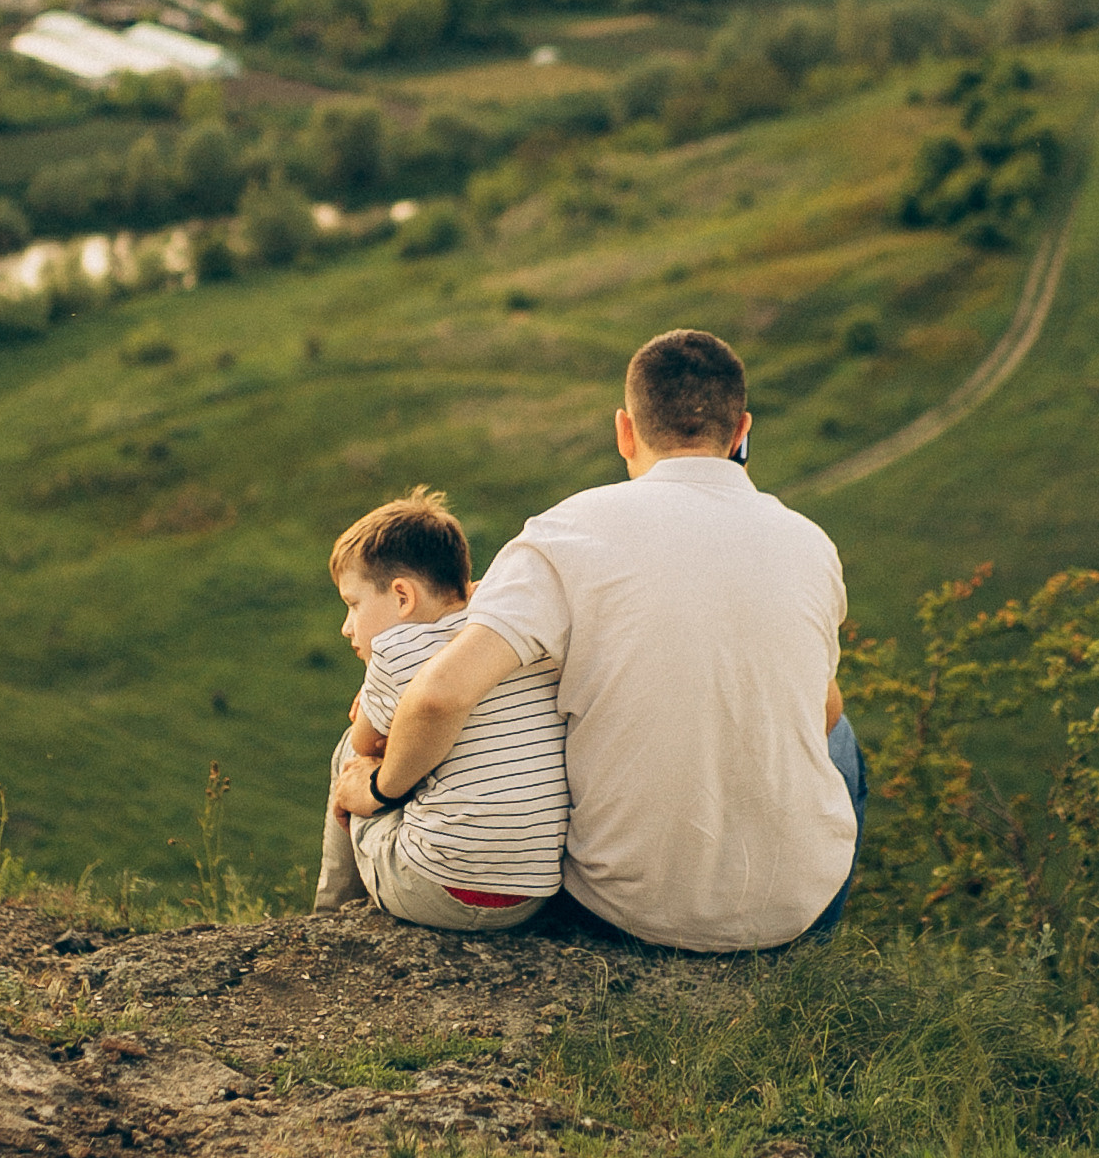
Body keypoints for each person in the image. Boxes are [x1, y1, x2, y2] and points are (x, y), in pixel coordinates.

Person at [331, 332, 860, 952]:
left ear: (624, 431)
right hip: (796, 912)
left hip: (624, 908)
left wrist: (378, 788)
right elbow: (821, 713)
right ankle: (805, 924)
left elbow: (440, 696)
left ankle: (335, 918)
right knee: (839, 727)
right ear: (741, 431)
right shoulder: (811, 545)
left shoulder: (564, 534)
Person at [313, 487, 566, 931]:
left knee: (348, 758)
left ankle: (330, 915)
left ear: (402, 598)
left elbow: (363, 742)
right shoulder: (513, 637)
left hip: (432, 888)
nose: (346, 627)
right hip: (529, 894)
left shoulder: (394, 650)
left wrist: (377, 692)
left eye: (353, 605)